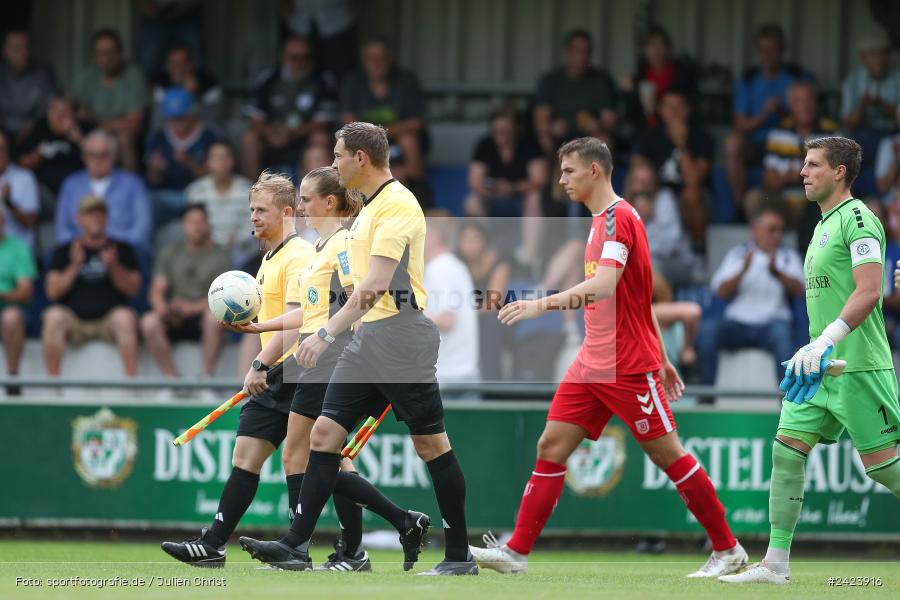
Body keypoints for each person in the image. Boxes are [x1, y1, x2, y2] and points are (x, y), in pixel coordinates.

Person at [469, 137, 746, 577]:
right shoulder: (602, 221)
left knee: (667, 454)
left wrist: (541, 303)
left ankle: (728, 549)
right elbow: (640, 297)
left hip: (626, 365)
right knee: (550, 446)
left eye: (569, 171)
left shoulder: (618, 219)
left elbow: (605, 286)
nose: (561, 180)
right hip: (592, 360)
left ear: (595, 171)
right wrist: (664, 353)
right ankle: (516, 552)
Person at [237, 122, 476, 575]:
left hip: (402, 339)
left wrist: (324, 334)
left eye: (338, 154)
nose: (333, 163)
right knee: (323, 438)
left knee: (431, 445)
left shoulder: (397, 205)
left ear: (360, 159)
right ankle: (295, 544)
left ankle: (459, 554)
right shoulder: (367, 211)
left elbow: (375, 286)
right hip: (368, 338)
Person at [721, 137, 900, 584]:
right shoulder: (820, 226)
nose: (802, 172)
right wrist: (816, 349)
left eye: (813, 164)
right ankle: (775, 566)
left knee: (885, 469)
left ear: (840, 172)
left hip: (858, 365)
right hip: (819, 368)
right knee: (786, 452)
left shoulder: (858, 218)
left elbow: (869, 291)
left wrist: (827, 340)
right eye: (803, 164)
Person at [161, 171, 316, 567]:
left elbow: (299, 318)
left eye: (261, 210)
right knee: (245, 456)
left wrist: (260, 363)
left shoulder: (300, 255)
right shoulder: (267, 258)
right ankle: (213, 544)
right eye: (251, 209)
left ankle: (336, 547)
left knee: (318, 462)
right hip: (272, 375)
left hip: (299, 371)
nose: (253, 217)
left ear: (286, 212)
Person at [699, 208, 804, 385]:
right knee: (708, 331)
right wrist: (743, 270)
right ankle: (706, 398)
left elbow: (800, 291)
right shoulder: (738, 254)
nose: (777, 235)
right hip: (738, 323)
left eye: (780, 230)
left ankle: (788, 402)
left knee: (783, 336)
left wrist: (777, 273)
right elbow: (720, 292)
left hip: (773, 323)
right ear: (755, 229)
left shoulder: (788, 256)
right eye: (772, 229)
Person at [42, 196, 141, 377]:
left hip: (108, 321)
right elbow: (52, 292)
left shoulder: (123, 249)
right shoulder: (64, 251)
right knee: (53, 316)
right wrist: (74, 265)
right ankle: (54, 386)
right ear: (79, 218)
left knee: (125, 318)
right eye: (90, 214)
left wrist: (113, 267)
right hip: (75, 322)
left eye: (100, 214)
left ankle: (131, 385)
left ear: (107, 218)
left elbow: (133, 289)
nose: (96, 218)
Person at [140, 204, 231, 382]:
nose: (196, 226)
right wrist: (161, 307)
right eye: (191, 222)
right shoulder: (170, 253)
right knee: (149, 322)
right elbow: (157, 291)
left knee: (214, 317)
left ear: (208, 224)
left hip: (204, 315)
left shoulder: (220, 256)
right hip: (174, 316)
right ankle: (171, 380)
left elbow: (223, 296)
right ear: (183, 225)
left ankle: (206, 378)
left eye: (200, 222)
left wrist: (192, 307)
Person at [724, 24, 806, 212]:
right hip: (758, 143)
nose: (768, 54)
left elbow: (807, 117)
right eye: (763, 50)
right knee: (732, 143)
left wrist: (783, 112)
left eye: (773, 49)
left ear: (781, 51)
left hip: (789, 142)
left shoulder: (794, 78)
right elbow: (740, 125)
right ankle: (740, 207)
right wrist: (764, 114)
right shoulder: (749, 79)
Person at [240, 36, 335, 178]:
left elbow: (324, 120)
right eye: (294, 57)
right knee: (249, 138)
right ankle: (251, 193)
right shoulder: (269, 79)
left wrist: (291, 133)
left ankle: (317, 192)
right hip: (272, 137)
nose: (300, 62)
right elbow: (254, 116)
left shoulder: (322, 80)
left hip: (305, 136)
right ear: (283, 58)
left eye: (306, 57)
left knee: (320, 137)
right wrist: (268, 132)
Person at [753, 81, 838, 239]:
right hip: (786, 205)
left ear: (816, 103)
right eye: (798, 101)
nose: (804, 106)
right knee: (754, 198)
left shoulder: (831, 133)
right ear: (790, 106)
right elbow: (769, 179)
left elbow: (838, 178)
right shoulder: (779, 132)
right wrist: (789, 176)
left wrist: (798, 175)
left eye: (808, 100)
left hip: (819, 204)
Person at [464, 107, 547, 265]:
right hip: (492, 199)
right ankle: (484, 250)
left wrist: (513, 187)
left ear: (516, 129)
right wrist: (491, 189)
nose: (500, 136)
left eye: (506, 131)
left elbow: (539, 179)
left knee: (535, 197)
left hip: (521, 199)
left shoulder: (529, 144)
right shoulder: (485, 144)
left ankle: (528, 256)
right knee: (472, 201)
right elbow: (474, 180)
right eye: (496, 131)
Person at [339, 36, 428, 184]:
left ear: (390, 59)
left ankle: (416, 187)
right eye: (371, 58)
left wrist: (382, 133)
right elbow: (347, 120)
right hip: (364, 142)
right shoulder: (353, 82)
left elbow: (417, 122)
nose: (376, 63)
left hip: (396, 140)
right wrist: (372, 137)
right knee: (345, 143)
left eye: (381, 58)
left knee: (409, 140)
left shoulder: (406, 80)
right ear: (364, 61)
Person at [632, 86, 714, 245]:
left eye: (679, 106)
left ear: (688, 110)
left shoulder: (702, 137)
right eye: (669, 106)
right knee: (640, 192)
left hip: (690, 197)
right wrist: (644, 195)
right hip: (657, 192)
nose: (674, 111)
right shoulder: (650, 135)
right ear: (661, 110)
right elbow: (637, 170)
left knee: (691, 194)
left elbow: (694, 180)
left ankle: (697, 249)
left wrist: (681, 144)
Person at [55, 130, 152, 254]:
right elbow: (62, 231)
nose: (97, 160)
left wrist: (110, 245)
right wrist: (87, 245)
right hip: (79, 252)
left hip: (124, 252)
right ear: (84, 157)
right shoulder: (70, 185)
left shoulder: (133, 184)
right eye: (92, 155)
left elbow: (141, 231)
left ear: (114, 156)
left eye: (104, 154)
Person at [73, 29, 149, 172]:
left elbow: (135, 123)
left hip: (123, 136)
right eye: (100, 53)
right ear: (93, 56)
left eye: (110, 52)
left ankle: (129, 189)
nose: (106, 59)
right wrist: (113, 123)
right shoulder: (86, 77)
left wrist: (97, 121)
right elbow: (77, 114)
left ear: (120, 53)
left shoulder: (134, 76)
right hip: (91, 133)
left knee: (124, 138)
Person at [533, 29, 618, 155]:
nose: (581, 56)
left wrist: (598, 125)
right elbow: (541, 120)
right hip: (560, 139)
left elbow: (610, 119)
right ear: (567, 52)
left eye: (585, 51)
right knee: (545, 141)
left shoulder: (601, 80)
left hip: (589, 138)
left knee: (604, 142)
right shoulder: (551, 80)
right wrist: (551, 128)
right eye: (576, 51)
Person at [144, 86, 219, 225]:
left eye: (181, 117)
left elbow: (215, 177)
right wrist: (156, 169)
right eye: (173, 118)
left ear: (192, 113)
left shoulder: (209, 136)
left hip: (201, 194)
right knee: (149, 201)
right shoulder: (158, 138)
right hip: (167, 195)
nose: (177, 122)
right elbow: (153, 180)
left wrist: (189, 163)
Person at [423, 210, 479, 384]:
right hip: (461, 374)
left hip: (448, 377)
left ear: (434, 237)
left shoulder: (439, 268)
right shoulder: (455, 265)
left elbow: (447, 320)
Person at [457, 220, 510, 382]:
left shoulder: (499, 263)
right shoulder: (455, 264)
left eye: (475, 239)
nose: (470, 245)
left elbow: (492, 304)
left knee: (490, 324)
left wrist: (464, 314)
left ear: (484, 241)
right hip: (462, 318)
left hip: (494, 319)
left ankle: (491, 385)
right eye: (466, 240)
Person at [184, 142, 254, 262]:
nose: (220, 162)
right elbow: (192, 223)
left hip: (241, 249)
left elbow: (255, 223)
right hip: (206, 247)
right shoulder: (195, 191)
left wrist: (238, 238)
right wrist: (210, 241)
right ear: (207, 163)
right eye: (215, 158)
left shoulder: (247, 190)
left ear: (232, 161)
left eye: (224, 158)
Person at [621, 24, 698, 131]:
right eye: (651, 45)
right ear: (645, 50)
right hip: (646, 130)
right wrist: (628, 93)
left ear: (668, 48)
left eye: (660, 44)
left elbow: (692, 106)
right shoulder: (639, 78)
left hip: (676, 128)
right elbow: (630, 115)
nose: (656, 50)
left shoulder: (682, 74)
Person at [16, 95, 91, 197]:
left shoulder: (84, 128)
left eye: (65, 112)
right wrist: (38, 154)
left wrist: (79, 140)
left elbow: (100, 160)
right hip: (43, 192)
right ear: (48, 112)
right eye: (55, 111)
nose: (59, 116)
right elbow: (21, 165)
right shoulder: (40, 126)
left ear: (74, 114)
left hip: (78, 189)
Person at [840, 32, 900, 158]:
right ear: (863, 57)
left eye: (883, 53)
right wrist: (863, 105)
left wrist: (883, 105)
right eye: (873, 54)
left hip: (894, 133)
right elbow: (848, 122)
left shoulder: (897, 78)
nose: (879, 58)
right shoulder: (853, 81)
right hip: (864, 134)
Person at [0, 209, 36, 394]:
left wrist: (2, 295)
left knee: (11, 317)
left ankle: (13, 378)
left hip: (10, 308)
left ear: (3, 222)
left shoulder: (18, 248)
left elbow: (25, 292)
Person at [0, 29, 58, 142]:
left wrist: (34, 125)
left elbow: (49, 106)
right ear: (5, 51)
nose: (23, 53)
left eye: (26, 47)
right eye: (17, 49)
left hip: (35, 135)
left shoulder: (43, 73)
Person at [150, 43, 224, 129]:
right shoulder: (161, 83)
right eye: (173, 63)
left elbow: (211, 121)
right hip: (169, 135)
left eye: (182, 63)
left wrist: (193, 95)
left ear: (191, 64)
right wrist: (182, 95)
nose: (177, 67)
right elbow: (158, 122)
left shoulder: (209, 84)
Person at [0, 130, 39, 247]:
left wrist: (9, 202)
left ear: (7, 152)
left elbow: (30, 222)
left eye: (2, 149)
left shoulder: (24, 177)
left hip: (19, 255)